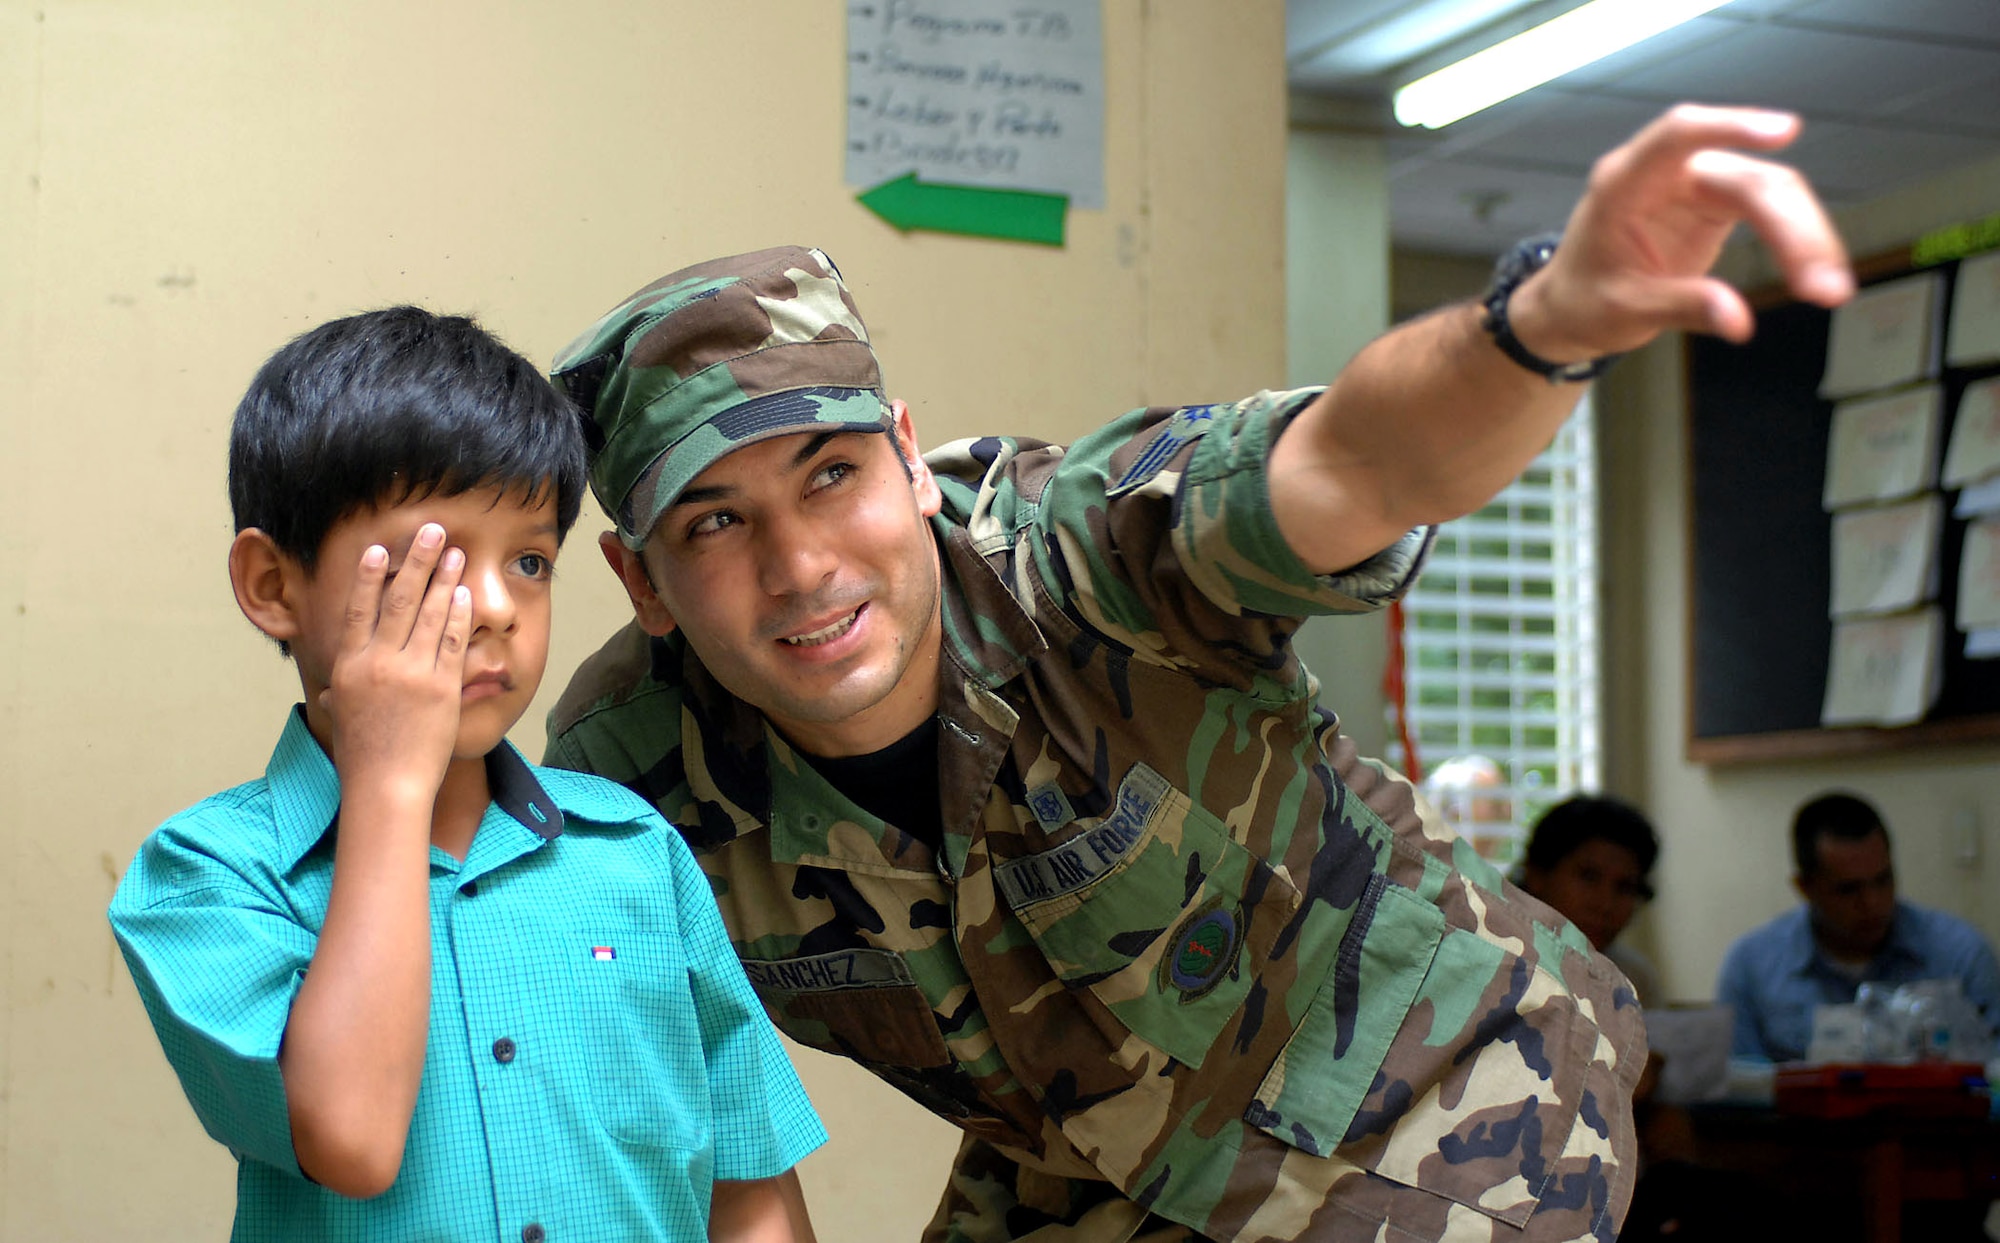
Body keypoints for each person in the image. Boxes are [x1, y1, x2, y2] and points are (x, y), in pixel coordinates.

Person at [543, 104, 1851, 1243]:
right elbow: (672, 1104)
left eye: (830, 474)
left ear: (905, 451)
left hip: (1434, 1100)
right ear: (641, 578)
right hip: (1085, 1164)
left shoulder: (1091, 550)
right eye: (714, 520)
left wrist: (1540, 326)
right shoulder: (631, 766)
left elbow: (1355, 463)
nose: (800, 562)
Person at [108, 308, 825, 1241]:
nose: (494, 607)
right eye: (432, 560)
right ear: (274, 586)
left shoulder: (638, 850)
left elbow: (749, 1187)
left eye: (530, 561)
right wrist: (391, 783)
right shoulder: (204, 875)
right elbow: (353, 1139)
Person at [1716, 790, 2000, 1063]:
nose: (1872, 903)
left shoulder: (1960, 955)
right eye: (1848, 890)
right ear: (1805, 888)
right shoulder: (1752, 967)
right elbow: (1741, 1096)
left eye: (1883, 880)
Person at [1519, 795, 1662, 1004]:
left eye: (1624, 888)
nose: (1605, 905)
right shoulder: (1483, 966)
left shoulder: (1631, 981)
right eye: (1589, 877)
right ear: (1538, 875)